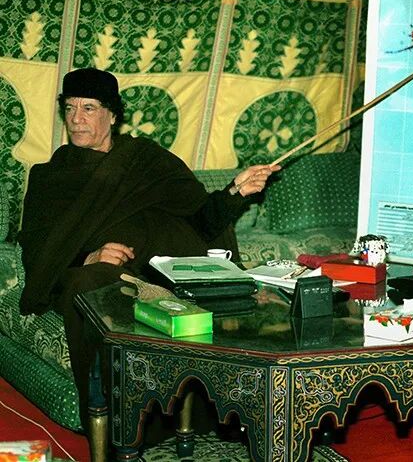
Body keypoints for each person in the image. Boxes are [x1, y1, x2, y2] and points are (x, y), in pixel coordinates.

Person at [17, 67, 280, 429]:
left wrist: (235, 190)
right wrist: (87, 256)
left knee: (193, 292)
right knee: (87, 286)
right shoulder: (50, 176)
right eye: (70, 108)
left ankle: (212, 412)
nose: (76, 119)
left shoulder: (145, 160)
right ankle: (118, 426)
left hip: (154, 273)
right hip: (94, 276)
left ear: (113, 115)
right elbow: (38, 250)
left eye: (89, 108)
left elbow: (202, 220)